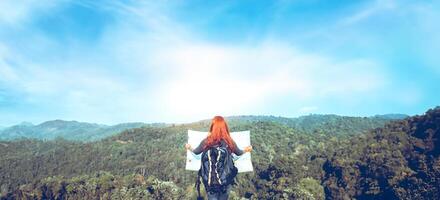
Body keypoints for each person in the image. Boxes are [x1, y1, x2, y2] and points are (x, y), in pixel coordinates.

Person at [185, 116, 252, 200]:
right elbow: (238, 153)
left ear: (212, 127)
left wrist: (189, 147)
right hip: (225, 181)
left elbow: (196, 152)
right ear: (225, 127)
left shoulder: (207, 141)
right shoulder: (228, 141)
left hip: (210, 183)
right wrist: (246, 150)